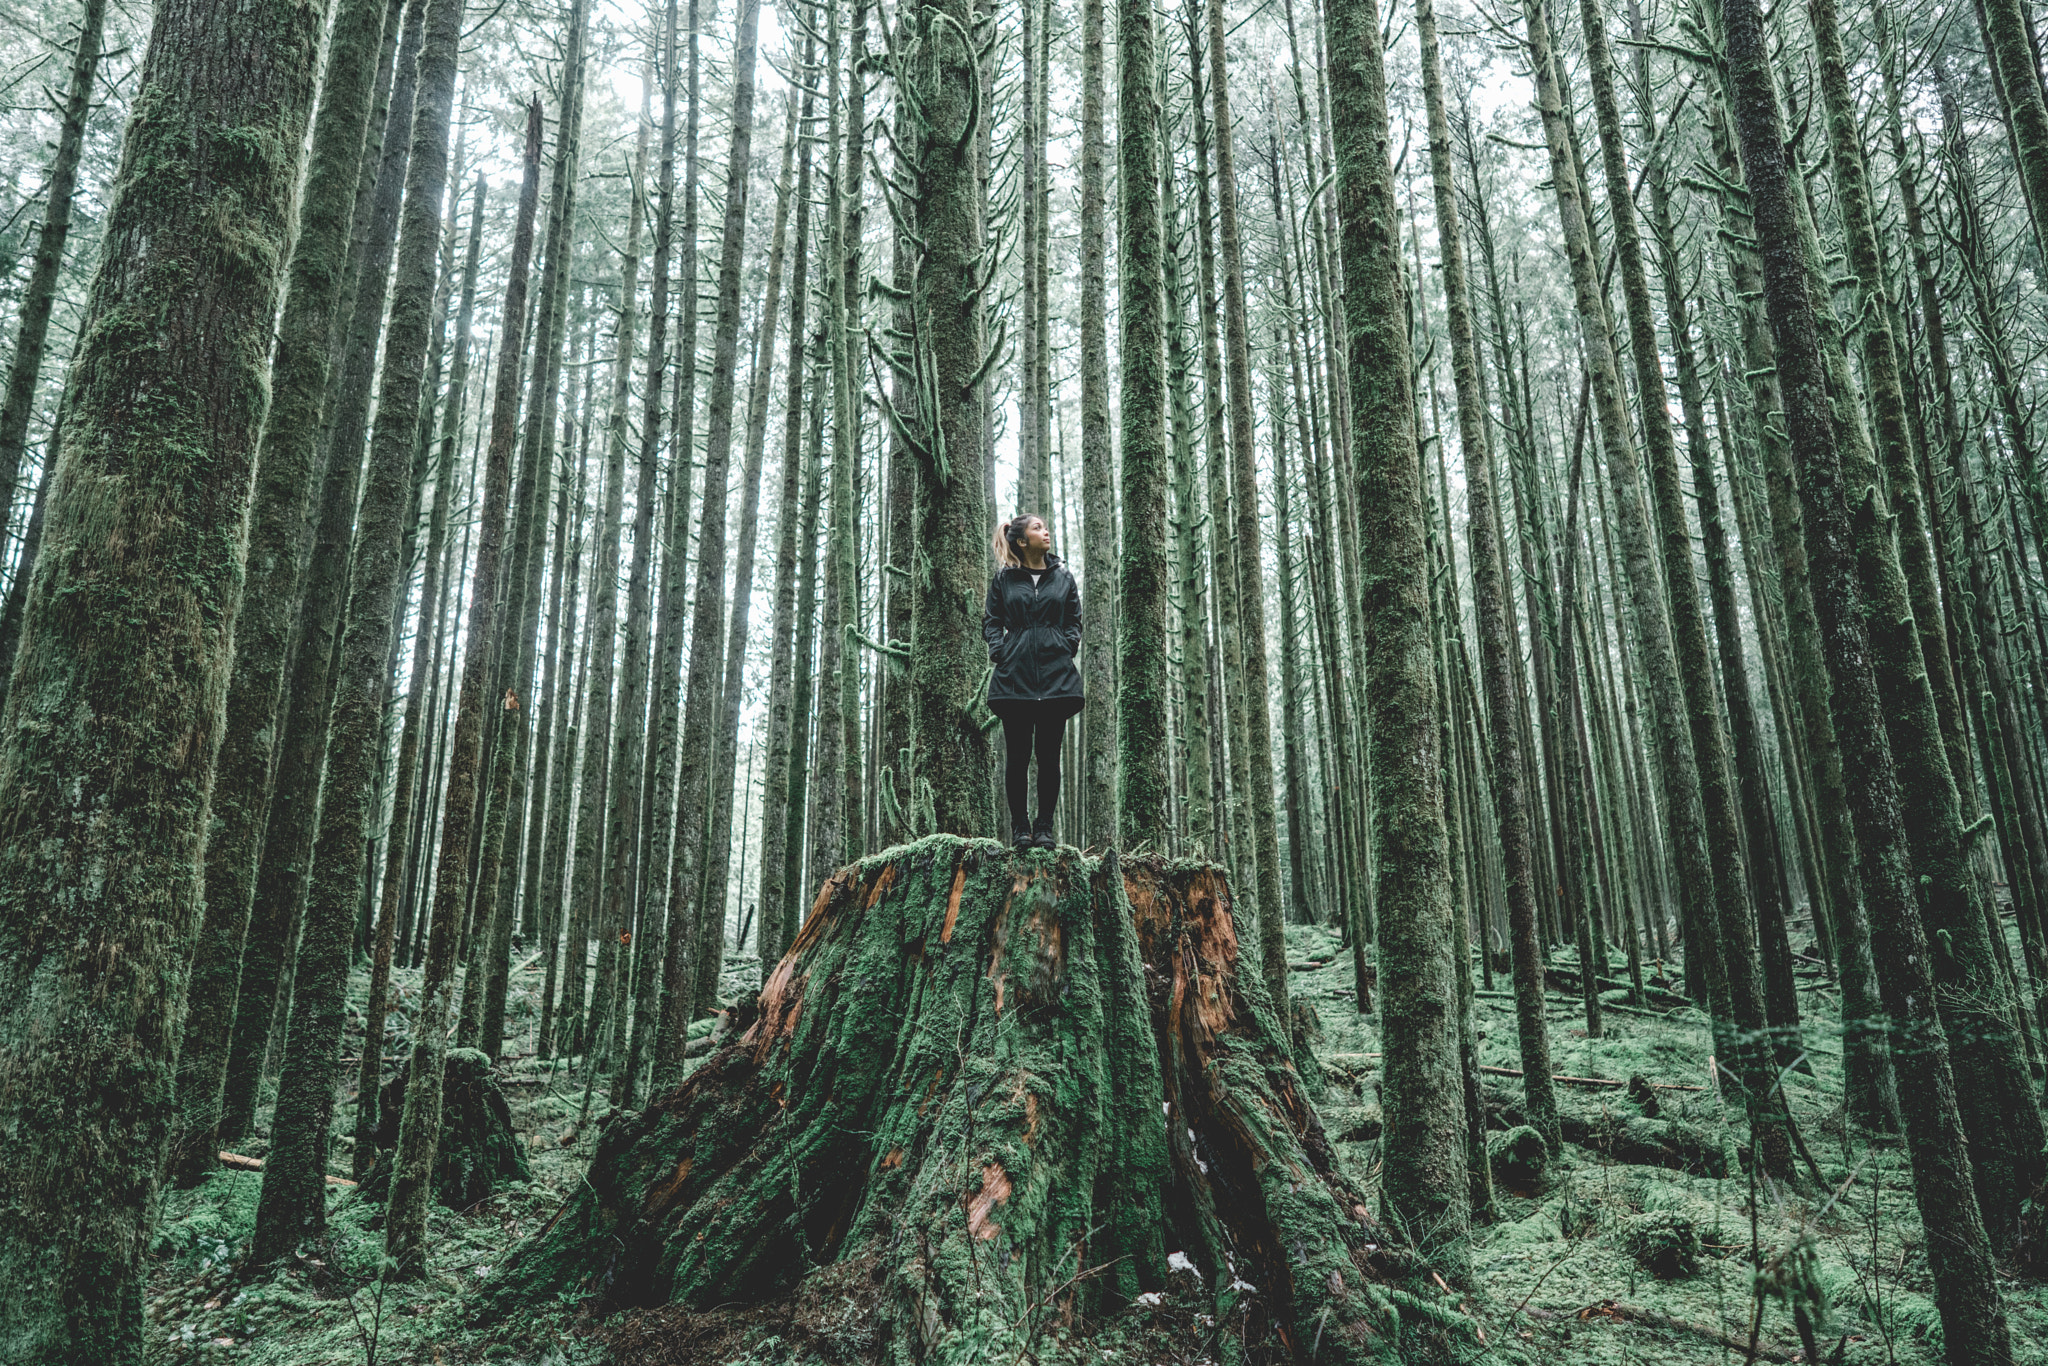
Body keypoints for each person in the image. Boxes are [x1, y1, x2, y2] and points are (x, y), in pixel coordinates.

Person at [982, 513, 1082, 850]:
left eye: (1045, 526)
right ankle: (1020, 828)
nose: (1046, 531)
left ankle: (1044, 828)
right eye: (1038, 528)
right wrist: (1001, 650)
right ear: (1022, 541)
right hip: (1016, 679)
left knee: (1049, 756)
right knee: (1018, 756)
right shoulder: (1004, 581)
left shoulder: (1064, 577)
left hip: (1056, 678)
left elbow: (1073, 621)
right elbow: (992, 621)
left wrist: (1066, 645)